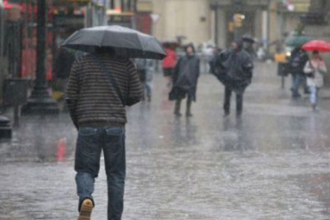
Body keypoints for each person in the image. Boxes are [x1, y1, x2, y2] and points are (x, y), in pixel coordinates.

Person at [66, 47, 143, 220]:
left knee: (85, 169)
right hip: (115, 124)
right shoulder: (125, 64)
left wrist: (79, 122)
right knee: (116, 175)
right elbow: (137, 94)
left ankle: (86, 197)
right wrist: (121, 99)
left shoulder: (81, 63)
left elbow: (70, 97)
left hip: (87, 123)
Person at [221, 39, 254, 117]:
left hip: (239, 79)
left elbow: (249, 67)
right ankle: (226, 111)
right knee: (227, 96)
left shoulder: (245, 55)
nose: (233, 45)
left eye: (235, 43)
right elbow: (223, 60)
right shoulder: (229, 52)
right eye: (233, 43)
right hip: (229, 78)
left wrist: (245, 76)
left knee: (239, 96)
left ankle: (238, 112)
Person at [169, 44, 200, 117]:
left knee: (190, 96)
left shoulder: (196, 59)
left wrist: (195, 78)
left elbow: (196, 70)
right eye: (188, 48)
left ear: (192, 49)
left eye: (190, 48)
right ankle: (177, 110)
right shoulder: (182, 58)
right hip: (182, 80)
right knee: (179, 96)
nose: (189, 50)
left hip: (191, 80)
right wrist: (176, 78)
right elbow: (177, 68)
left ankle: (188, 111)